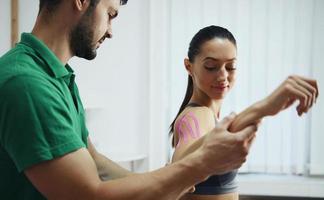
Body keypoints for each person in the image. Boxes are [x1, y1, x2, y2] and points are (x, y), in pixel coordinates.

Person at [0, 1, 259, 200]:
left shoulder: (59, 77)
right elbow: (89, 195)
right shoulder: (27, 84)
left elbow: (95, 161)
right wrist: (199, 165)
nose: (111, 31)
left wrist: (166, 182)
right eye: (110, 14)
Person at [170, 25, 319, 200]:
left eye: (231, 66)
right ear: (189, 66)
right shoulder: (197, 115)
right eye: (211, 66)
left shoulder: (210, 116)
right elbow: (177, 168)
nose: (223, 75)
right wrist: (263, 107)